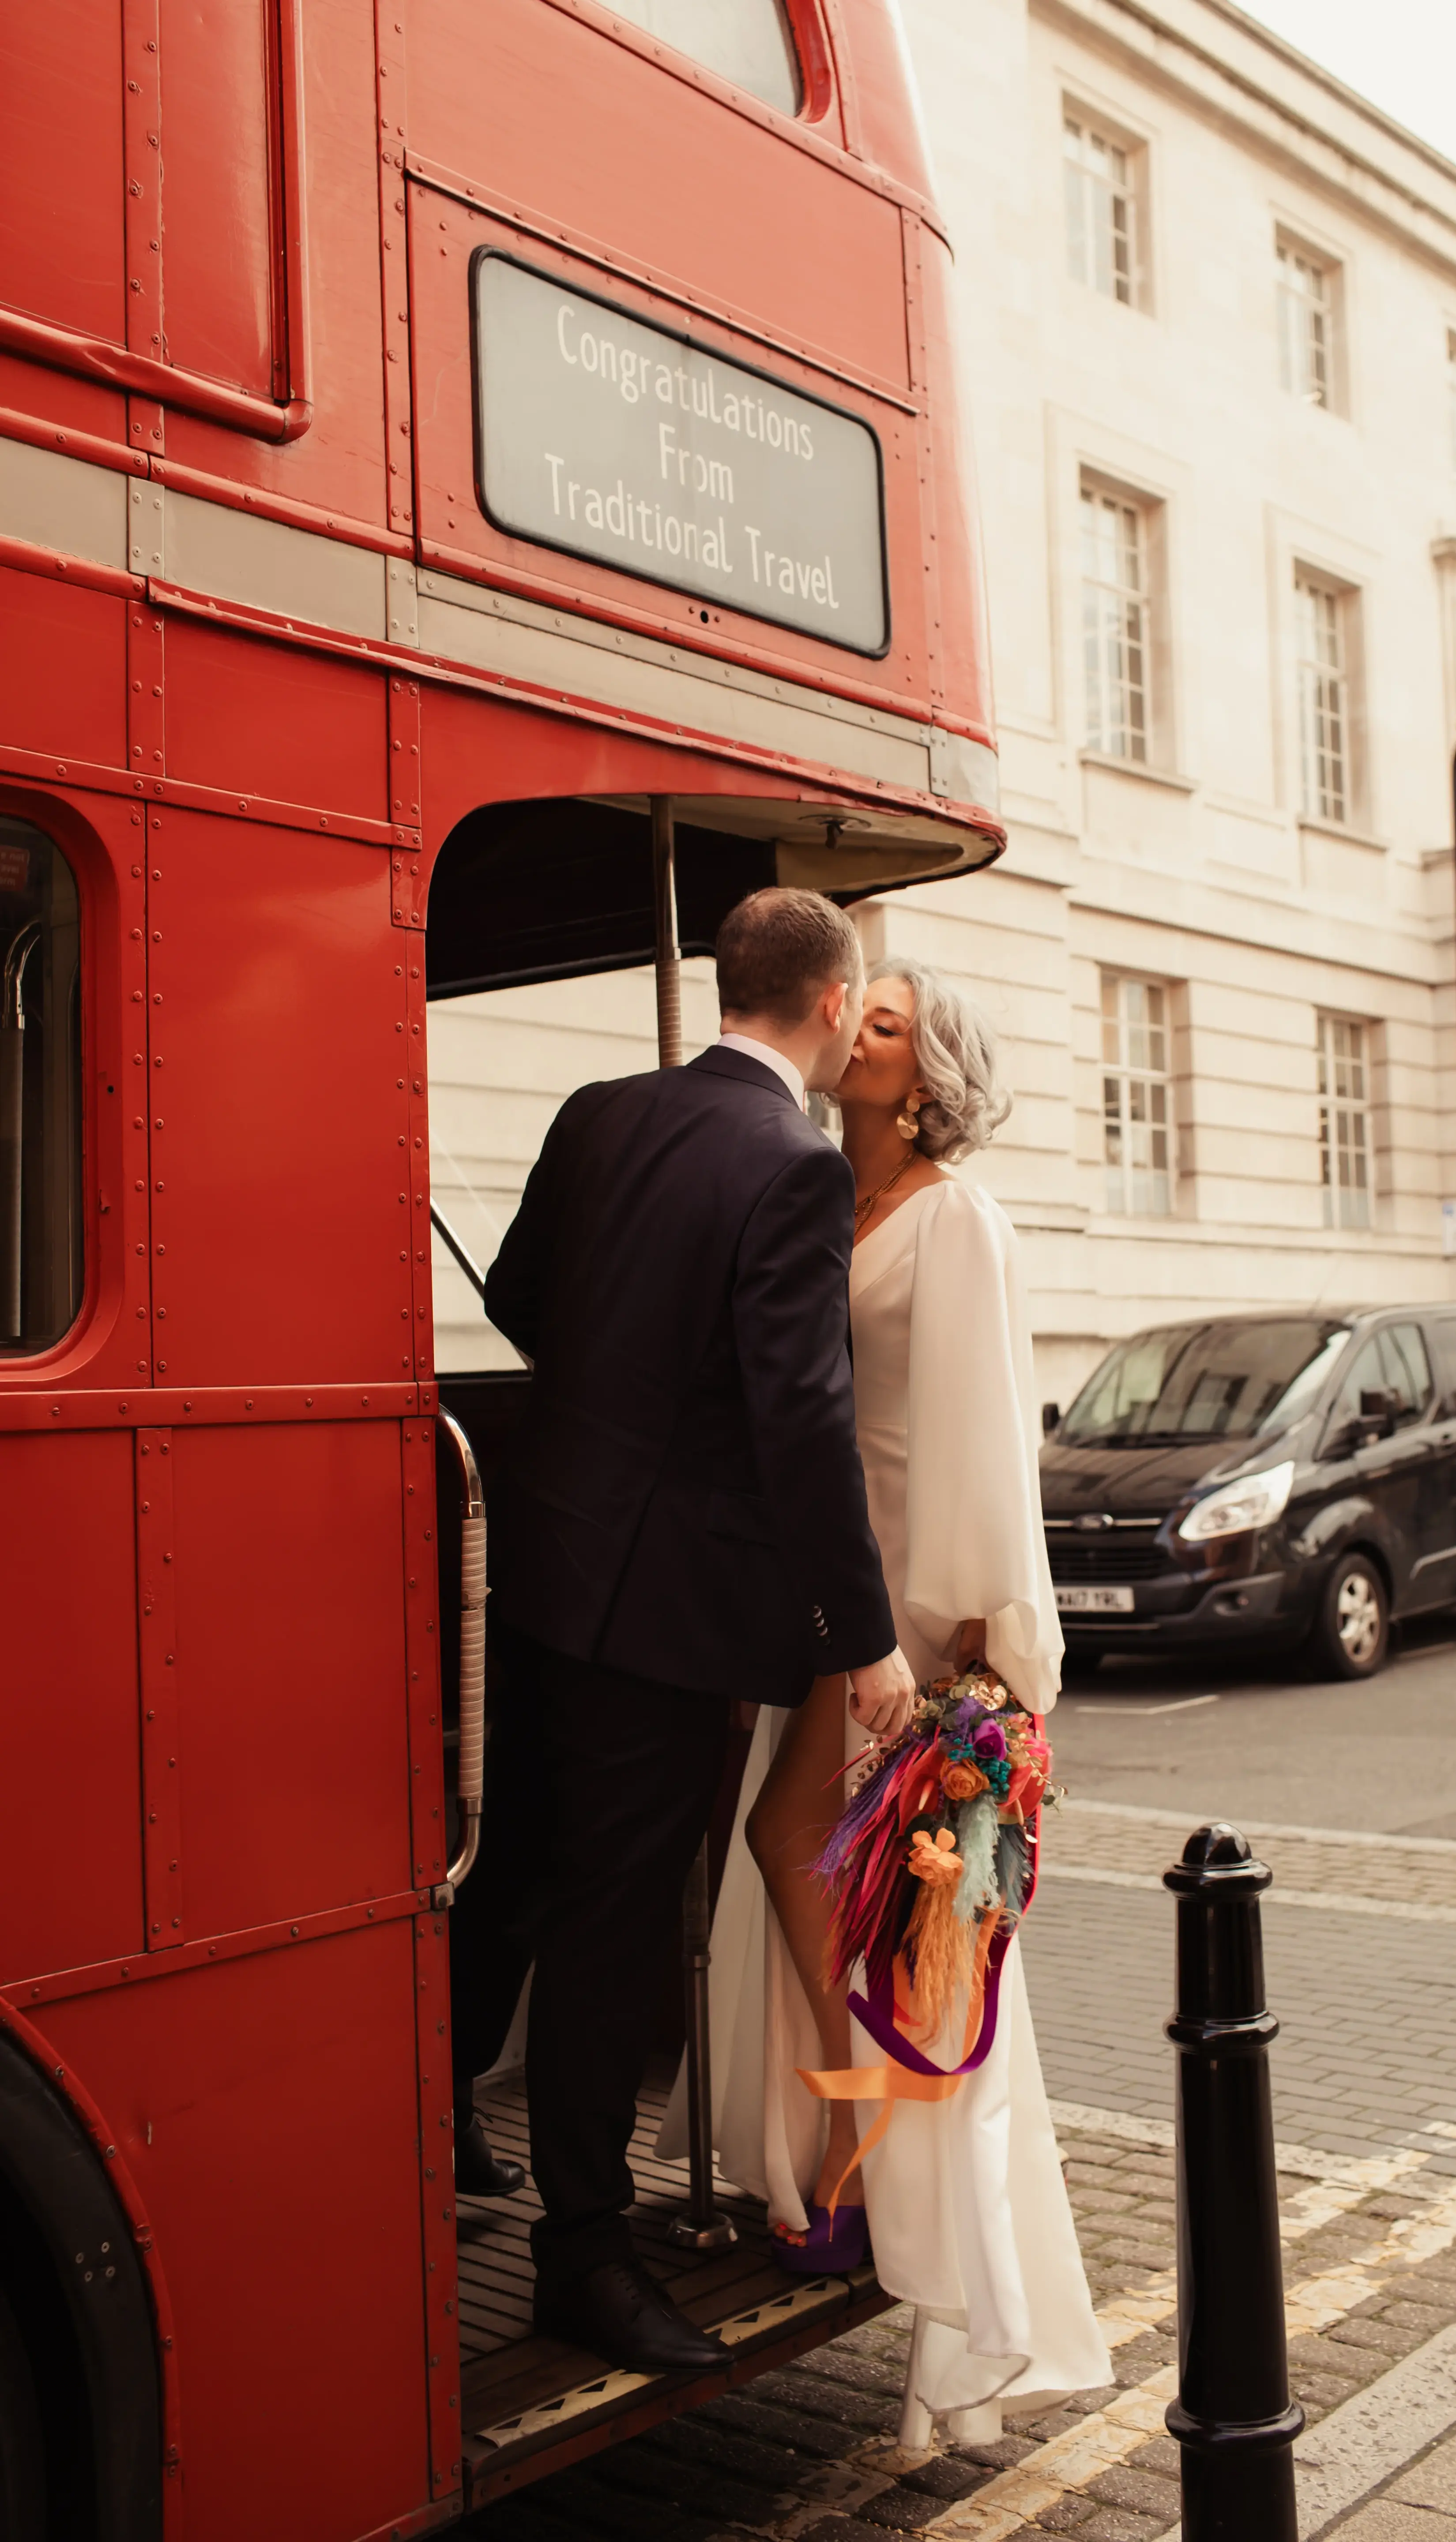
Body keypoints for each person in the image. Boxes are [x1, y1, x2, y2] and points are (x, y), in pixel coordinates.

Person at [449, 888, 915, 2374]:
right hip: (666, 1617)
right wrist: (866, 1633)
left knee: (510, 1865)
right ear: (833, 1003)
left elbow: (522, 1297)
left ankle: (438, 2120)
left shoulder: (599, 1111)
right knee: (611, 1921)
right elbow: (802, 1424)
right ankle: (582, 2249)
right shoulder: (790, 1168)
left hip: (540, 1567)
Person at [662, 957, 1110, 2442]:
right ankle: (850, 2150)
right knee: (828, 1878)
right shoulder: (828, 1195)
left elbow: (987, 1429)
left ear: (928, 1073)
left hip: (914, 1602)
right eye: (863, 1006)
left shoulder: (957, 1217)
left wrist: (985, 1657)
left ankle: (874, 2159)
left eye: (893, 1019)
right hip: (835, 1583)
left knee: (858, 1883)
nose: (861, 1023)